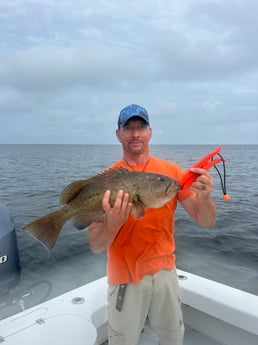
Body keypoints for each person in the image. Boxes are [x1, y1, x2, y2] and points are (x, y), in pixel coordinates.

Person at [75, 104, 216, 345]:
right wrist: (112, 224)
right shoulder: (107, 180)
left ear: (150, 132)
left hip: (166, 274)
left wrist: (204, 197)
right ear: (118, 134)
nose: (135, 133)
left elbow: (206, 221)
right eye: (128, 128)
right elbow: (96, 245)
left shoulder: (170, 174)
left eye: (141, 127)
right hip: (125, 280)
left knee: (172, 339)